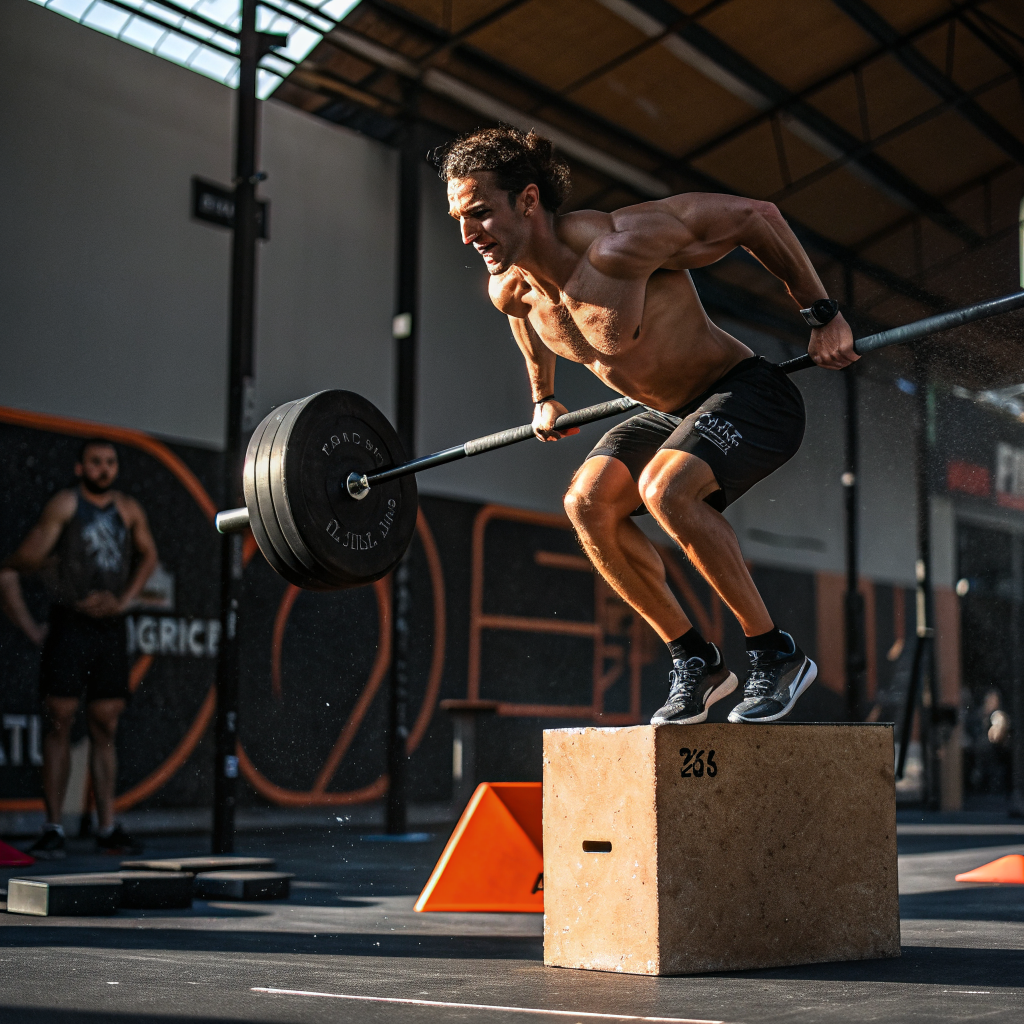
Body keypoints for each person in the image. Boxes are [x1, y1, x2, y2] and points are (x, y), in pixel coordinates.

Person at [437, 126, 857, 726]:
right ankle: (697, 661)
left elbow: (756, 217)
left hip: (749, 394)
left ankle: (775, 653)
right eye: (459, 217)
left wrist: (822, 315)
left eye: (479, 212)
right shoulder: (509, 291)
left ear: (528, 200)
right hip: (668, 412)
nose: (467, 233)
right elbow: (526, 323)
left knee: (665, 490)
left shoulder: (619, 244)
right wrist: (543, 396)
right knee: (587, 505)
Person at [0, 439, 157, 857]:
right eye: (95, 462)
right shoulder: (66, 505)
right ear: (80, 467)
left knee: (106, 723)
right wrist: (56, 582)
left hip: (110, 626)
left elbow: (149, 556)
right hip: (70, 624)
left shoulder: (128, 509)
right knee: (60, 720)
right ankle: (54, 827)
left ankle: (106, 826)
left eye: (110, 462)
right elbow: (22, 562)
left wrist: (123, 601)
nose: (103, 469)